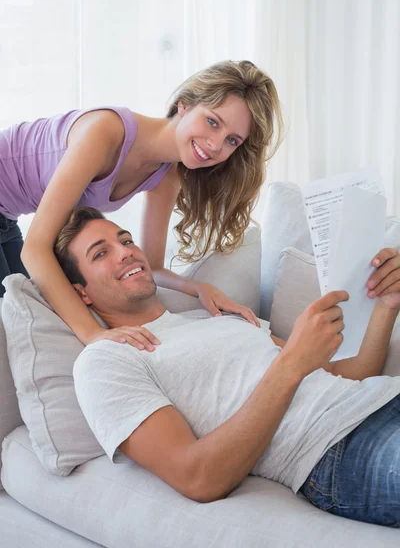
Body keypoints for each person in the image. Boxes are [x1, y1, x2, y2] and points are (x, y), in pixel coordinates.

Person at [57, 207, 400, 527]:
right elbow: (197, 477)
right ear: (82, 293)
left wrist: (387, 305)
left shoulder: (218, 317)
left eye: (126, 240)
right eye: (101, 253)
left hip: (383, 398)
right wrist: (291, 363)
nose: (126, 252)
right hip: (336, 447)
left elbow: (350, 376)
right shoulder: (105, 359)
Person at [0, 60, 282, 351]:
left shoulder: (166, 176)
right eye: (212, 122)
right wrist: (93, 334)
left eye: (231, 140)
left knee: (28, 319)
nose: (215, 145)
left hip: (6, 219)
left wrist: (200, 288)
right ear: (184, 105)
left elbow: (154, 266)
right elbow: (35, 249)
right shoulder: (105, 132)